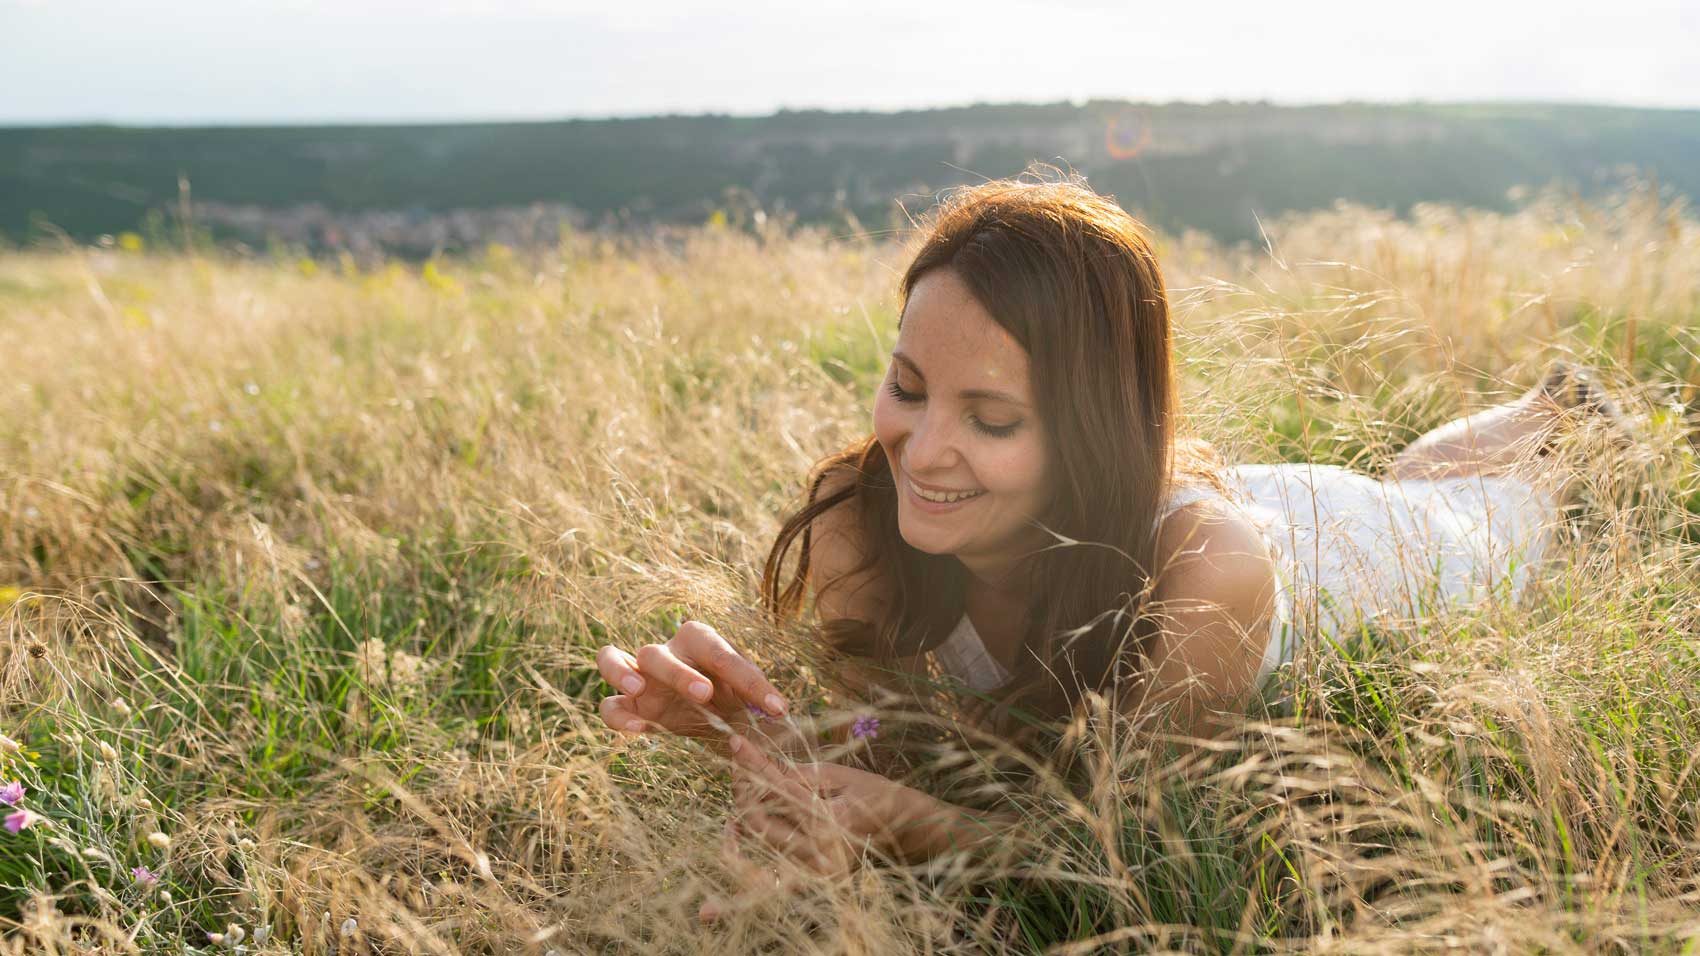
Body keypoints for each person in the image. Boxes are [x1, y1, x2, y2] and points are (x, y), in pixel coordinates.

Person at [593, 169, 1639, 910]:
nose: (922, 450)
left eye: (990, 418)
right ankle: (1548, 406)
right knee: (1403, 471)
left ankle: (1570, 416)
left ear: (1091, 428)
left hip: (1343, 557)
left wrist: (925, 827)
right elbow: (899, 732)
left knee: (1456, 508)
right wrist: (769, 734)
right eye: (906, 388)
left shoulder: (1204, 577)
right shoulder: (858, 523)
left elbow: (1133, 849)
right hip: (1230, 500)